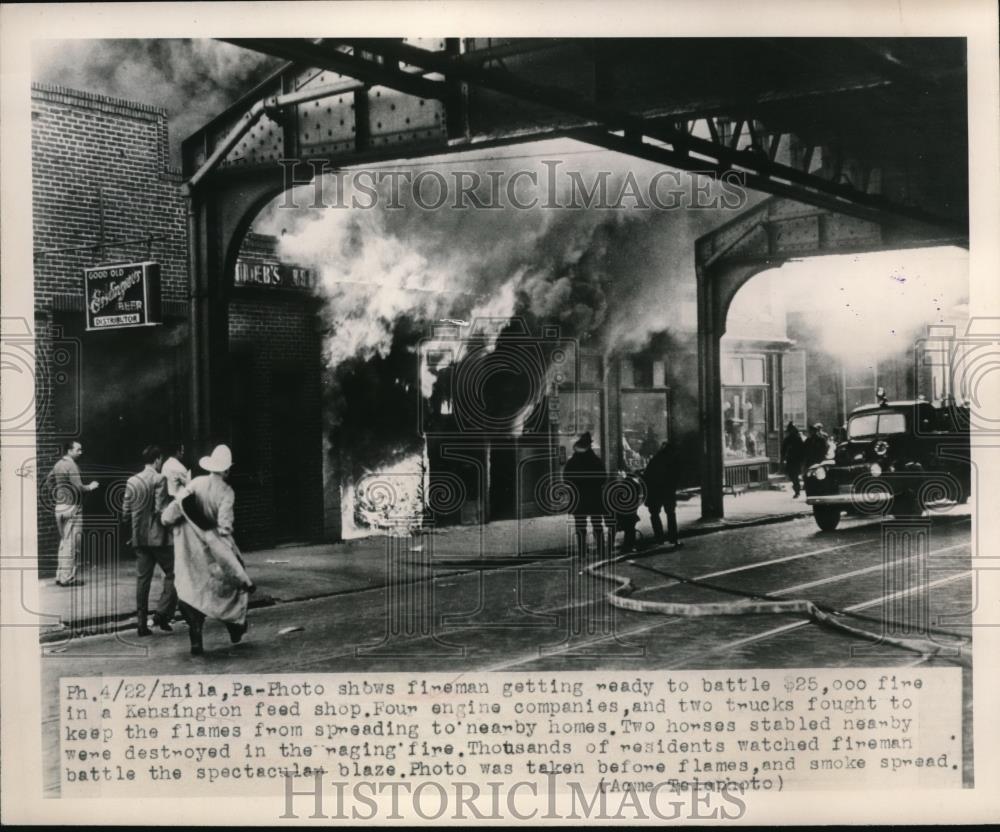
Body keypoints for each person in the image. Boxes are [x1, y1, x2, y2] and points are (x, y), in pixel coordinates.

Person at [161, 444, 254, 655]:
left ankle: (195, 632)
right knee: (228, 589)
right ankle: (235, 624)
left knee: (192, 590)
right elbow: (225, 526)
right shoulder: (227, 492)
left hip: (190, 553)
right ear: (227, 469)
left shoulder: (195, 483)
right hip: (214, 551)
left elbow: (172, 512)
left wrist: (170, 521)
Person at [123, 445, 176, 636]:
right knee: (174, 573)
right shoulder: (159, 478)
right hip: (158, 538)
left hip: (139, 537)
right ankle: (162, 613)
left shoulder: (132, 481)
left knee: (142, 580)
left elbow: (125, 512)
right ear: (158, 460)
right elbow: (161, 509)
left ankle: (141, 624)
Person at [46, 440, 99, 587]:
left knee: (64, 541)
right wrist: (91, 487)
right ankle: (67, 578)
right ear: (69, 451)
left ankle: (60, 575)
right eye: (78, 450)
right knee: (73, 543)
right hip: (72, 506)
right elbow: (79, 487)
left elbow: (49, 480)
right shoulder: (71, 465)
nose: (81, 452)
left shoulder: (58, 465)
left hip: (60, 506)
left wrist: (58, 493)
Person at [562, 432, 608, 558]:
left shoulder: (573, 461)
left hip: (579, 497)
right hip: (594, 497)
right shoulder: (596, 460)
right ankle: (601, 550)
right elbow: (603, 478)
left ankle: (582, 552)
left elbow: (566, 478)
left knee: (580, 525)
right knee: (597, 524)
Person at [643, 440, 679, 546]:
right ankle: (673, 538)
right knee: (670, 513)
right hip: (667, 491)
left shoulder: (655, 459)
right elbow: (675, 478)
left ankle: (659, 539)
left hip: (655, 492)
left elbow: (647, 475)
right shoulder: (672, 461)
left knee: (654, 514)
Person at [781, 422, 806, 498]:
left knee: (795, 475)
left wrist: (803, 459)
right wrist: (783, 458)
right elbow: (783, 450)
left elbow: (803, 449)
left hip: (797, 460)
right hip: (791, 460)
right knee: (793, 475)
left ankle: (797, 490)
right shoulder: (788, 439)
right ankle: (797, 489)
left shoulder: (798, 438)